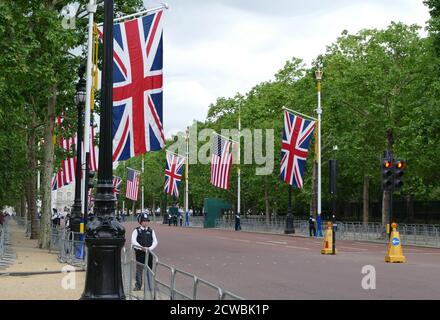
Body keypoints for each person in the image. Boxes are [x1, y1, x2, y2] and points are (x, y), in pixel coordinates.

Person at [131, 213, 158, 291]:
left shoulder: (151, 231)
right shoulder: (136, 231)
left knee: (149, 271)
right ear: (140, 221)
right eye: (144, 221)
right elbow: (133, 241)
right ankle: (138, 286)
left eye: (147, 221)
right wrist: (141, 247)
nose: (146, 222)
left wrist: (150, 248)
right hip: (140, 254)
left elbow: (155, 242)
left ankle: (150, 286)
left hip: (149, 254)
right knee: (139, 270)